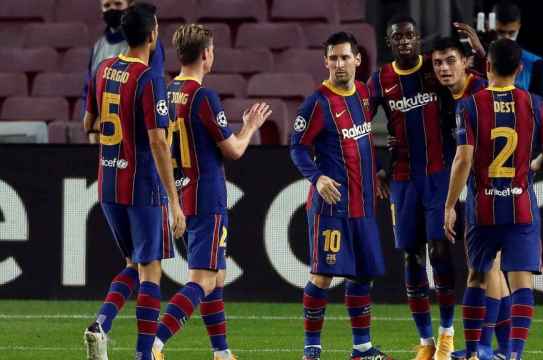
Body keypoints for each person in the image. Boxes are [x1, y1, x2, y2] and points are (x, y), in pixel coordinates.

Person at [150, 24, 271, 360]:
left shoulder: (166, 92)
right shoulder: (203, 97)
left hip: (182, 194)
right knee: (202, 279)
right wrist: (249, 128)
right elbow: (233, 150)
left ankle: (221, 352)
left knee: (216, 275)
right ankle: (154, 344)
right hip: (207, 196)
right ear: (206, 54)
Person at [82, 3, 186, 360]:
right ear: (154, 35)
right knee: (151, 271)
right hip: (141, 185)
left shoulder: (104, 68)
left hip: (108, 182)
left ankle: (101, 323)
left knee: (133, 263)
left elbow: (87, 124)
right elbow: (158, 141)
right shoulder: (149, 78)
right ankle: (144, 356)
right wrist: (174, 201)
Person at [443, 38, 543, 360]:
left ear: (488, 67)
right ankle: (515, 355)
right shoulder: (535, 103)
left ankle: (475, 351)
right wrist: (531, 169)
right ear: (520, 69)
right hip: (520, 204)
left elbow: (463, 160)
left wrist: (450, 205)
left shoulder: (468, 106)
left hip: (483, 207)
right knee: (521, 281)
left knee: (478, 275)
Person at [290, 31, 392, 360]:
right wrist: (317, 178)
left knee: (363, 274)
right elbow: (297, 148)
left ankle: (361, 349)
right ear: (325, 62)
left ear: (358, 60)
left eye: (345, 57)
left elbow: (361, 145)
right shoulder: (317, 102)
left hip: (362, 205)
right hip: (331, 206)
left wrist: (375, 173)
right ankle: (311, 351)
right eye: (333, 58)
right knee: (322, 276)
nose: (339, 64)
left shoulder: (363, 94)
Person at [367, 15, 463, 360]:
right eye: (399, 38)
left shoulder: (434, 70)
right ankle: (425, 342)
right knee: (410, 254)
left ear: (418, 39)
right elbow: (357, 126)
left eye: (410, 36)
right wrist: (377, 167)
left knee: (439, 249)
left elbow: (469, 82)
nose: (406, 42)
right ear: (389, 43)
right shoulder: (380, 80)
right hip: (403, 178)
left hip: (440, 174)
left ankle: (448, 334)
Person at [430, 36, 511, 360]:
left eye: (451, 60)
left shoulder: (479, 94)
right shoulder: (456, 96)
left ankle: (484, 350)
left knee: (485, 269)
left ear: (467, 62)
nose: (444, 68)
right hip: (490, 189)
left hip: (493, 189)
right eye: (438, 63)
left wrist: (449, 205)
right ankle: (504, 350)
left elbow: (468, 155)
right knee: (491, 271)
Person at [84, 0, 166, 143]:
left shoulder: (147, 44)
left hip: (134, 134)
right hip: (102, 136)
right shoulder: (98, 46)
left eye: (117, 4)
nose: (112, 9)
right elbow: (88, 91)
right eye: (107, 6)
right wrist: (92, 128)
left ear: (130, 6)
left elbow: (153, 90)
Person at [493, 0, 543, 100]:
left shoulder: (535, 63)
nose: (506, 39)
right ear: (490, 26)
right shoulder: (477, 60)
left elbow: (540, 109)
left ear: (519, 27)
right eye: (500, 32)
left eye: (512, 33)